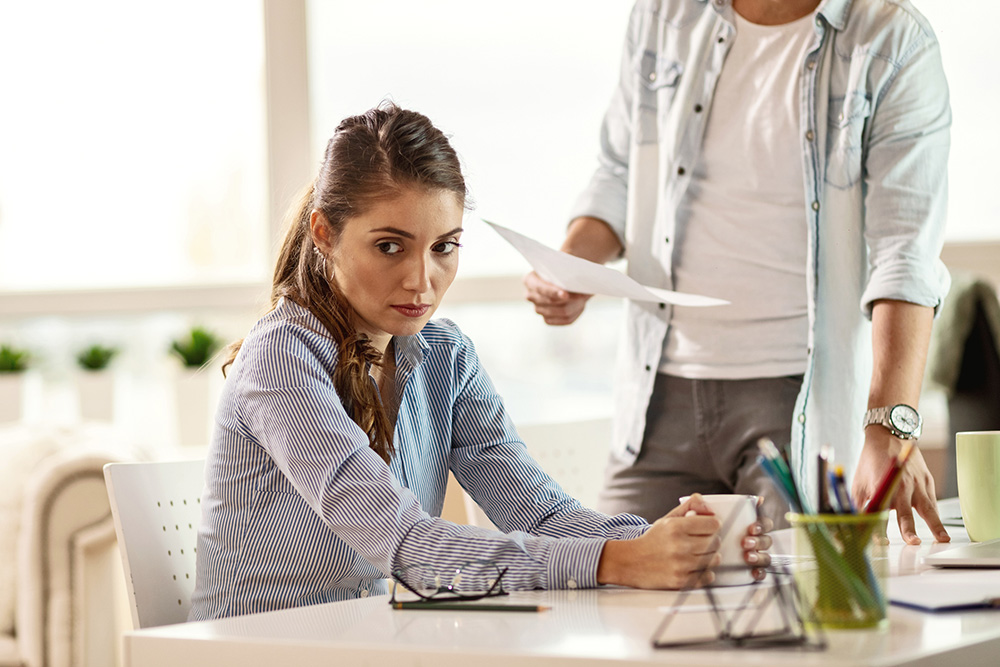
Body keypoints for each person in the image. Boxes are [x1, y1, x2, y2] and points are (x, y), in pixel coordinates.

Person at [188, 103, 771, 620]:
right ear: (325, 233)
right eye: (389, 246)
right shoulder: (280, 358)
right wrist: (620, 560)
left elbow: (543, 516)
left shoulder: (444, 357)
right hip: (264, 650)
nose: (423, 280)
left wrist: (672, 541)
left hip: (374, 641)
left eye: (444, 247)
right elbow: (408, 545)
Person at [524, 0, 951, 545]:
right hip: (657, 397)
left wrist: (888, 426)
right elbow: (621, 172)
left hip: (798, 402)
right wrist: (572, 266)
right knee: (620, 598)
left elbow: (905, 250)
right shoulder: (663, 14)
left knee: (783, 611)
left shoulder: (892, 40)